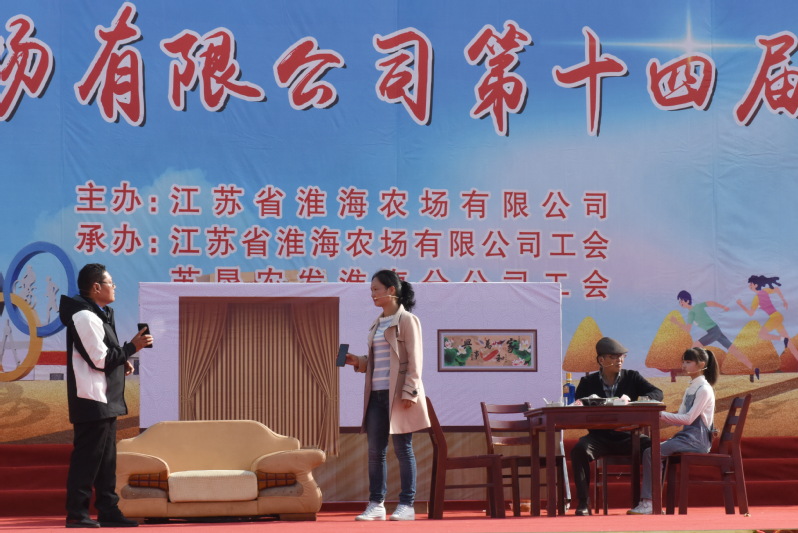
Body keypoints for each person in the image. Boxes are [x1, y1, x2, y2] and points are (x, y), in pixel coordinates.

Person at [59, 264, 152, 528]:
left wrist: (123, 361)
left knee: (106, 461)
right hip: (92, 398)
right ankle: (77, 513)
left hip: (105, 398)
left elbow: (106, 354)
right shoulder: (84, 316)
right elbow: (99, 360)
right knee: (88, 459)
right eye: (111, 282)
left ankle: (108, 510)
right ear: (96, 287)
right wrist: (132, 347)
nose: (114, 287)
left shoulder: (98, 314)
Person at [344, 270, 430, 521]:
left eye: (376, 289)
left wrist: (410, 391)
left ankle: (407, 505)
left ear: (391, 290)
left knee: (403, 449)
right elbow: (378, 360)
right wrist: (358, 361)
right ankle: (376, 504)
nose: (372, 294)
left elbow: (415, 359)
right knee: (375, 452)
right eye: (371, 290)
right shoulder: (377, 323)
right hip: (376, 394)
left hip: (399, 394)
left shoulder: (408, 320)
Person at [570, 337, 664, 516]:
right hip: (599, 437)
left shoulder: (632, 377)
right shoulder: (587, 382)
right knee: (579, 450)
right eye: (613, 357)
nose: (619, 360)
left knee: (655, 448)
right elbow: (579, 407)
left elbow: (657, 393)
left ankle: (651, 502)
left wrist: (637, 401)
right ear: (601, 360)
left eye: (622, 356)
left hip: (629, 436)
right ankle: (583, 503)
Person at [628, 347, 718, 515]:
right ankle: (651, 502)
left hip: (697, 440)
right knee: (651, 451)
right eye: (683, 362)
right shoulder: (691, 388)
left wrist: (659, 414)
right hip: (686, 437)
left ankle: (649, 503)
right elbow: (680, 419)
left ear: (701, 364)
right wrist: (657, 412)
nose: (684, 365)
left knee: (652, 452)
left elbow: (688, 419)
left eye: (688, 362)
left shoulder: (704, 389)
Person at [672, 290, 759, 382]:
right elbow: (710, 303)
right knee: (734, 350)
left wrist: (676, 322)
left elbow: (687, 329)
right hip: (716, 330)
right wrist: (723, 307)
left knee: (694, 347)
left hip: (713, 332)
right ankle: (753, 368)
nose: (680, 303)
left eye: (681, 301)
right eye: (679, 301)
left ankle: (700, 373)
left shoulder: (692, 312)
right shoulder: (697, 308)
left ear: (687, 300)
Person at [737, 274, 798, 363]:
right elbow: (777, 289)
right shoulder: (764, 291)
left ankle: (783, 339)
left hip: (775, 317)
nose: (749, 286)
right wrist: (784, 300)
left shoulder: (756, 298)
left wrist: (740, 304)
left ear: (756, 285)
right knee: (790, 343)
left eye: (751, 284)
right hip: (777, 316)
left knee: (762, 334)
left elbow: (750, 313)